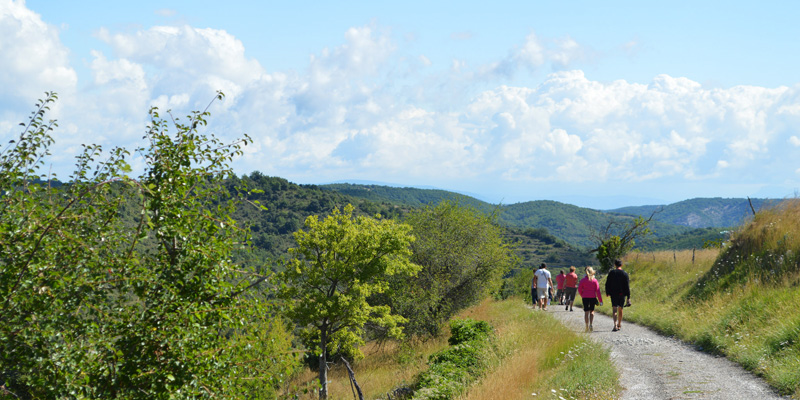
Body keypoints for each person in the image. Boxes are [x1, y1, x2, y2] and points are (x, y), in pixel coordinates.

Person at [605, 259, 631, 332]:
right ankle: (619, 324)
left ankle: (615, 324)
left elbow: (607, 283)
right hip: (622, 294)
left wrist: (607, 292)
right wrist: (628, 297)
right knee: (620, 309)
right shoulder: (624, 274)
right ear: (621, 265)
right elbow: (627, 286)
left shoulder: (612, 272)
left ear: (615, 265)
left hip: (613, 294)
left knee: (614, 309)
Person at [578, 266, 603, 332]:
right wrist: (600, 300)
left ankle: (586, 326)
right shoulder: (595, 281)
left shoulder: (583, 280)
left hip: (585, 297)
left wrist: (582, 295)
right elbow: (598, 291)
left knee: (586, 312)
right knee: (592, 311)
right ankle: (591, 324)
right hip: (592, 297)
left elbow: (579, 289)